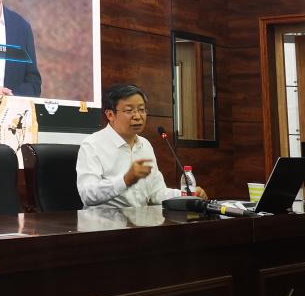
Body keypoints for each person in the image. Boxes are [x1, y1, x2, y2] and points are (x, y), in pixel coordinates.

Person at [76, 83, 207, 207]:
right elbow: (87, 195)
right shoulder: (92, 145)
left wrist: (186, 195)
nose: (138, 116)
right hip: (103, 220)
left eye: (141, 109)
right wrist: (125, 180)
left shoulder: (145, 145)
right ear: (110, 114)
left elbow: (156, 193)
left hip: (140, 219)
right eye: (129, 110)